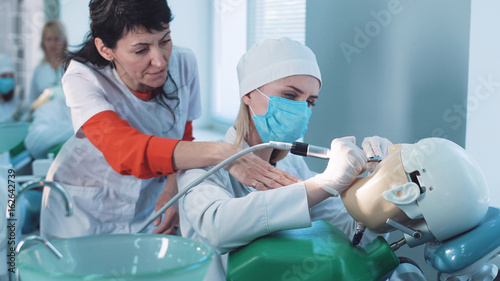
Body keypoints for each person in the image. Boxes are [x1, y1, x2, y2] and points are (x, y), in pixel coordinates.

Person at [39, 0, 298, 241]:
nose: (160, 61)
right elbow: (123, 150)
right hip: (82, 206)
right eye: (141, 50)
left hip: (146, 199)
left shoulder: (184, 63)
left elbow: (182, 133)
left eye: (165, 40)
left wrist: (173, 187)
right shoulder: (83, 77)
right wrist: (221, 152)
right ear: (105, 49)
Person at [177, 37, 394, 280]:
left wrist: (382, 187)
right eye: (290, 96)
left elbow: (350, 231)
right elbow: (216, 228)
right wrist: (321, 185)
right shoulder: (203, 164)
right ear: (248, 94)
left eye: (310, 102)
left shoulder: (292, 164)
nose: (302, 110)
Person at [28, 20, 67, 107]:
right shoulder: (39, 70)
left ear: (64, 41)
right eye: (48, 39)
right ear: (43, 42)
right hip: (43, 117)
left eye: (56, 39)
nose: (52, 44)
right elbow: (31, 100)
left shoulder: (71, 66)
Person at [0, 54, 24, 123]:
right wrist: (13, 118)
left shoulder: (15, 101)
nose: (8, 80)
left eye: (11, 76)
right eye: (4, 76)